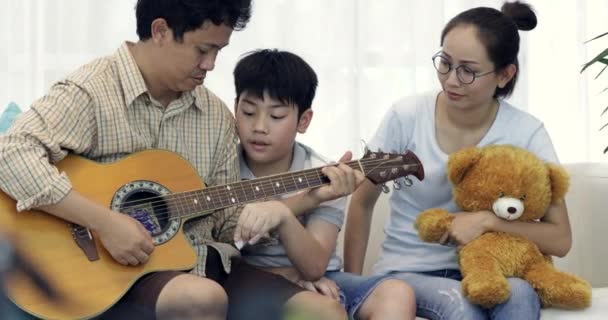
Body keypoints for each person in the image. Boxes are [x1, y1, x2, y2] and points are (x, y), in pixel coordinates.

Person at [0, 1, 299, 319]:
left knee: (320, 308)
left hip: (201, 261)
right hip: (110, 275)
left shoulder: (216, 117)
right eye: (203, 50)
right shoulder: (92, 91)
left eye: (218, 52)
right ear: (160, 31)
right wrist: (104, 223)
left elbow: (224, 221)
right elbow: (11, 154)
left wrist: (291, 208)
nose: (210, 64)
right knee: (201, 298)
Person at [344, 2, 571, 320]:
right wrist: (356, 289)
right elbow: (362, 202)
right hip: (409, 274)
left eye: (468, 71)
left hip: (491, 268)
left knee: (519, 293)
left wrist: (487, 221)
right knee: (463, 307)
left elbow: (560, 239)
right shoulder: (407, 116)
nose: (451, 80)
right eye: (445, 64)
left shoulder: (527, 132)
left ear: (505, 75)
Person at [231, 49, 417, 320]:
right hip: (250, 282)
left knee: (397, 294)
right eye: (248, 112)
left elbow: (315, 266)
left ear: (303, 121)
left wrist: (283, 215)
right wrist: (284, 277)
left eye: (276, 116)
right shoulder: (222, 165)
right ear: (235, 107)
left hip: (319, 276)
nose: (259, 127)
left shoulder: (322, 172)